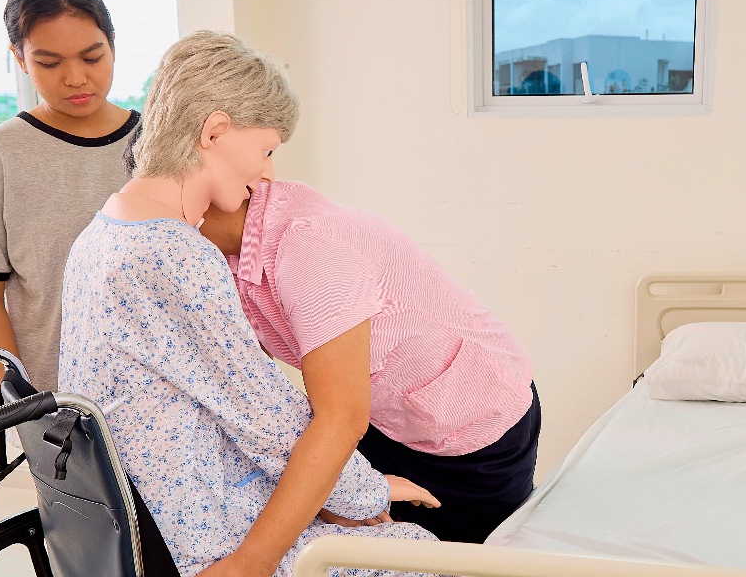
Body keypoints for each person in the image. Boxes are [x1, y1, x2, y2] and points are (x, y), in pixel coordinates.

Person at [58, 31, 441, 577]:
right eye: (265, 150)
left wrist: (349, 489)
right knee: (426, 559)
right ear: (214, 131)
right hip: (200, 540)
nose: (266, 174)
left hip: (142, 523)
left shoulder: (104, 232)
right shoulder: (173, 252)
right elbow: (265, 414)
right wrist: (364, 497)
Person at [191, 61, 539, 551]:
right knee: (376, 552)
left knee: (467, 572)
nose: (269, 170)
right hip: (383, 413)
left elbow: (340, 419)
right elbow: (259, 388)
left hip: (476, 423)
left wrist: (253, 562)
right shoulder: (212, 258)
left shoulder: (307, 245)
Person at [0, 0, 139, 391]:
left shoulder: (159, 144)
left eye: (92, 57)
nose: (75, 78)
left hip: (168, 399)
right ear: (19, 58)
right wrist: (19, 400)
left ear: (113, 46)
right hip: (56, 404)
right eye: (48, 62)